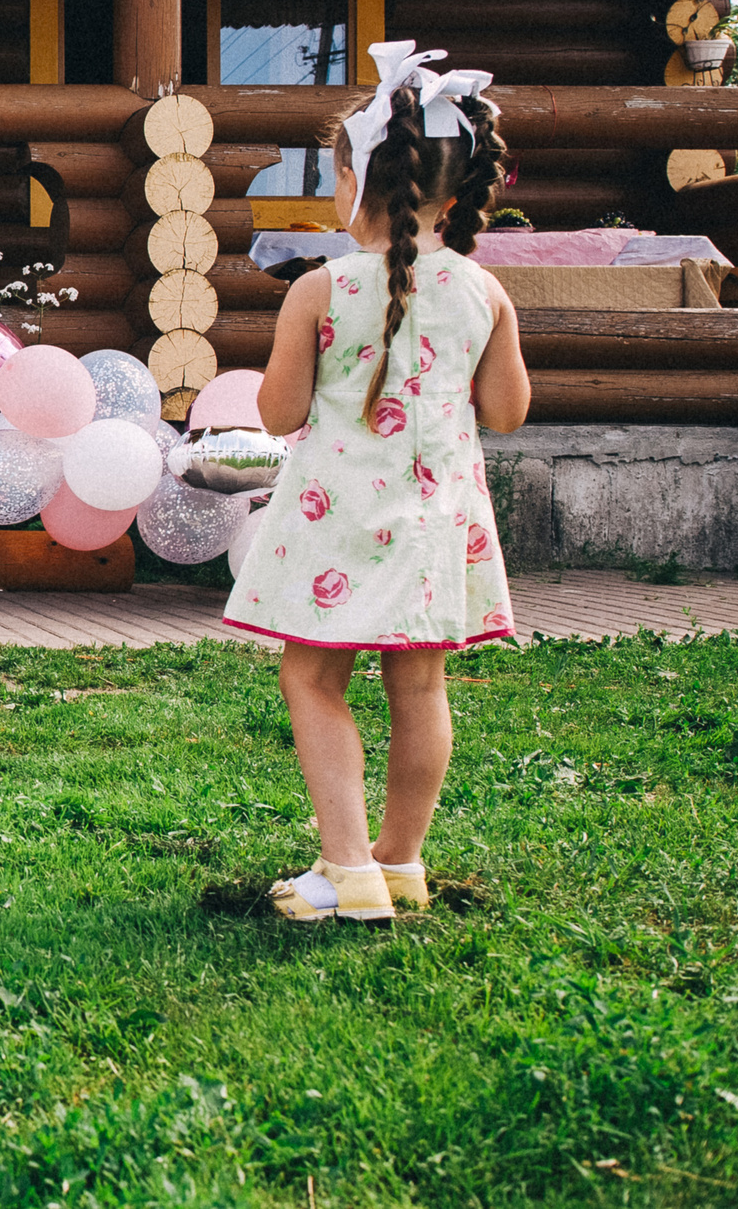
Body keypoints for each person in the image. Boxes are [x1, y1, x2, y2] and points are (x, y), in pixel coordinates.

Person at [223, 49, 530, 924]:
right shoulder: (484, 293)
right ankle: (399, 862)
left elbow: (278, 413)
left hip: (336, 522)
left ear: (354, 179)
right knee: (420, 689)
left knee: (314, 680)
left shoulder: (319, 289)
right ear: (455, 186)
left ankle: (347, 867)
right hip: (435, 525)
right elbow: (506, 412)